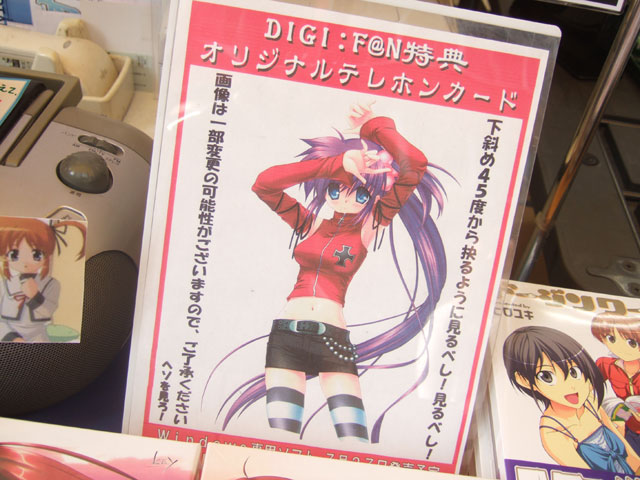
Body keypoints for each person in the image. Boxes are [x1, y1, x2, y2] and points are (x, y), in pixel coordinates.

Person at [211, 103, 448, 443]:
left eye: (360, 191)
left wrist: (375, 128)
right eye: (336, 189)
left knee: (352, 438)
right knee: (280, 438)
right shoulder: (308, 224)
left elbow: (415, 166)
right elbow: (264, 185)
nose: (346, 198)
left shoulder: (370, 225)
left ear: (373, 195)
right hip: (285, 338)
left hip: (332, 341)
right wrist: (337, 164)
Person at [503, 325, 640, 473]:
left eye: (575, 372)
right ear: (523, 380)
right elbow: (585, 476)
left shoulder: (590, 402)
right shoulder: (553, 431)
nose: (571, 385)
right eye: (547, 377)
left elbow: (631, 455)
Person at [0, 216, 86, 342]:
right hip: (8, 338)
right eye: (14, 254)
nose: (25, 262)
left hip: (39, 338)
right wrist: (11, 337)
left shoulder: (51, 284)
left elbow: (48, 312)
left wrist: (35, 296)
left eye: (36, 255)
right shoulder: (4, 284)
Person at [591, 313, 640, 455]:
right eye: (611, 339)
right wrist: (619, 415)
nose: (620, 348)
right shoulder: (606, 365)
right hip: (627, 428)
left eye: (632, 343)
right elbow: (590, 391)